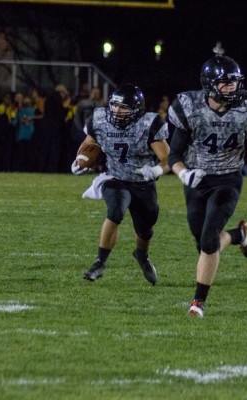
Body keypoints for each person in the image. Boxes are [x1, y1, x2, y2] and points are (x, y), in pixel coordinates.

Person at [167, 55, 247, 318]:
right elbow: (174, 155)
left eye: (234, 83)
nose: (232, 88)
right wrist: (185, 176)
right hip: (197, 180)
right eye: (225, 83)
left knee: (207, 240)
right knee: (203, 241)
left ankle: (198, 302)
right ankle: (238, 236)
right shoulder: (189, 106)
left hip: (228, 179)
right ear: (210, 84)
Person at [71, 84, 170, 285]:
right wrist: (79, 160)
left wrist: (157, 170)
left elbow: (168, 158)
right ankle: (99, 263)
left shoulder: (148, 124)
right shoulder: (100, 119)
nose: (117, 111)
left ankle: (141, 255)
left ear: (136, 109)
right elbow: (89, 143)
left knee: (145, 228)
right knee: (115, 210)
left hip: (142, 181)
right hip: (113, 177)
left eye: (123, 107)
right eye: (115, 105)